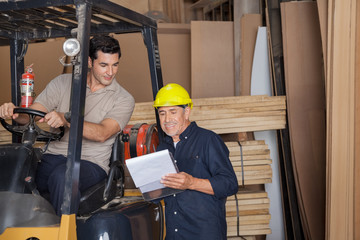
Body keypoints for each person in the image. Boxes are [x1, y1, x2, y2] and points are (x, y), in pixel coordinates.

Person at [0, 35, 135, 215]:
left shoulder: (123, 98)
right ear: (89, 61)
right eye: (104, 65)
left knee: (62, 176)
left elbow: (102, 133)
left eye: (115, 65)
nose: (110, 72)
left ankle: (63, 232)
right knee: (14, 169)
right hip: (53, 156)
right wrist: (15, 112)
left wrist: (66, 119)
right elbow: (30, 115)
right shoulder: (62, 83)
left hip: (90, 162)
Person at [153, 83, 238, 240]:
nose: (167, 119)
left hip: (204, 234)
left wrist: (191, 183)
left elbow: (229, 184)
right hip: (174, 234)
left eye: (173, 112)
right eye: (162, 113)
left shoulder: (208, 140)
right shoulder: (163, 147)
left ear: (187, 112)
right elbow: (159, 193)